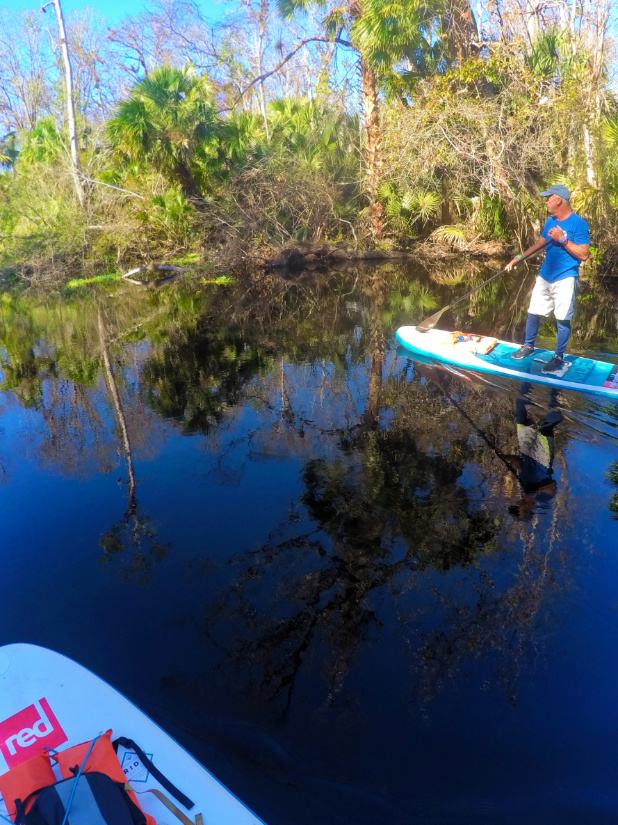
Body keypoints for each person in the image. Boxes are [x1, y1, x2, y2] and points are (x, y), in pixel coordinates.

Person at [505, 184, 590, 374]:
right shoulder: (550, 221)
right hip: (545, 276)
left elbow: (584, 254)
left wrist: (563, 239)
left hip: (566, 278)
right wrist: (518, 258)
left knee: (562, 318)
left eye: (548, 198)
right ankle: (528, 346)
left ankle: (558, 357)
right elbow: (539, 245)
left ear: (558, 200)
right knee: (533, 311)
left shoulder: (578, 224)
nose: (546, 202)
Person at [506, 384, 563, 518]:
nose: (518, 505)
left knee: (521, 419)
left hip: (526, 454)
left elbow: (519, 462)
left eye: (516, 507)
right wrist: (535, 490)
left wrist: (503, 456)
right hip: (541, 462)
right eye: (520, 510)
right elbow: (552, 485)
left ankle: (526, 383)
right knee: (545, 429)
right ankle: (555, 394)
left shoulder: (522, 488)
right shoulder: (542, 499)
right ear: (528, 510)